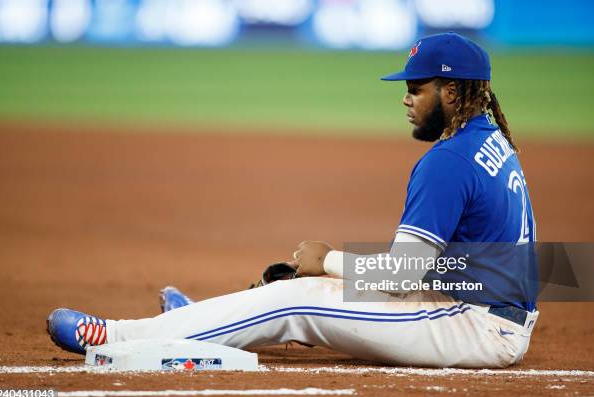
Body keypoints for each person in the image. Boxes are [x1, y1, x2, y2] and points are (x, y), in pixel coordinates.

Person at [47, 32, 538, 368]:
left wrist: (330, 259)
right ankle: (193, 324)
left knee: (295, 300)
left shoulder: (448, 161)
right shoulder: (488, 138)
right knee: (315, 291)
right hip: (485, 305)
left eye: (416, 88)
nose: (406, 99)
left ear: (451, 91)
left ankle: (117, 337)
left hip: (477, 326)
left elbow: (400, 278)